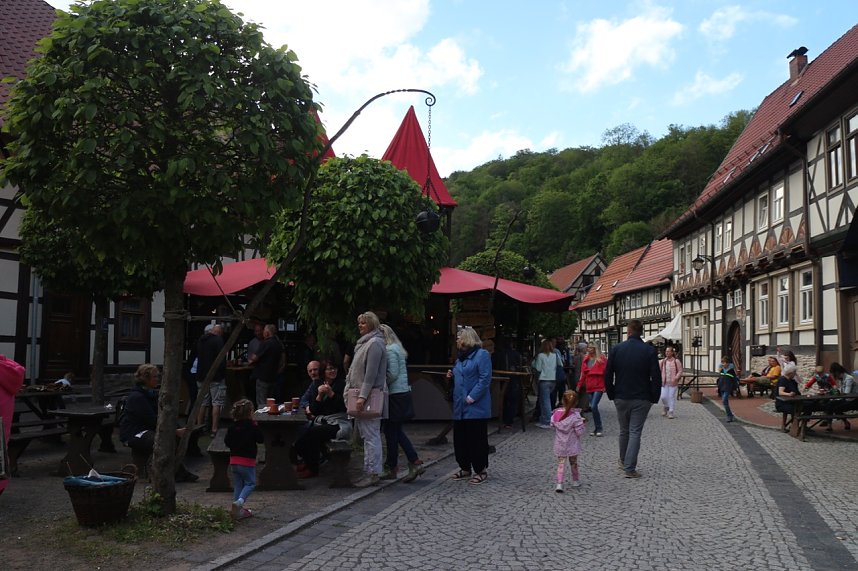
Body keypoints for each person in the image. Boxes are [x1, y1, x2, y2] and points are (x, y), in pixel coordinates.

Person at [118, 364, 198, 482]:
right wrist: (174, 431)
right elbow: (152, 420)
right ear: (146, 378)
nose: (158, 379)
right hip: (134, 433)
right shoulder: (137, 397)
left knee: (171, 437)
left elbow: (162, 415)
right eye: (155, 377)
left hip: (145, 429)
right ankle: (176, 473)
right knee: (162, 441)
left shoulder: (150, 394)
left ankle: (176, 471)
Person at [604, 319, 661, 479]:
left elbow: (608, 373)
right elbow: (656, 376)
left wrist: (611, 393)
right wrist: (654, 397)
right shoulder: (649, 351)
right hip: (642, 397)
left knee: (624, 430)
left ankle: (623, 461)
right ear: (641, 332)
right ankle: (630, 468)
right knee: (635, 431)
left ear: (628, 332)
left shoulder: (616, 349)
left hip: (621, 396)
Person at [345, 311, 388, 488]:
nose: (360, 325)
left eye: (363, 323)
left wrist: (362, 397)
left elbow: (370, 374)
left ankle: (373, 472)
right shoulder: (364, 343)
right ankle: (369, 469)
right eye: (359, 322)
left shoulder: (375, 344)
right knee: (366, 434)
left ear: (371, 324)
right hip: (363, 394)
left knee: (371, 435)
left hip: (370, 396)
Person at [379, 324, 425, 482]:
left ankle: (398, 465)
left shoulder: (390, 350)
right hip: (401, 393)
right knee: (394, 431)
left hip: (395, 395)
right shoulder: (397, 348)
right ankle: (409, 462)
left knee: (392, 431)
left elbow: (392, 374)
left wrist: (378, 381)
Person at [447, 326, 492, 485]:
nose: (457, 340)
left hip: (475, 406)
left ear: (467, 339)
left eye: (459, 337)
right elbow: (460, 375)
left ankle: (481, 469)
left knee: (476, 439)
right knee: (460, 438)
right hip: (460, 405)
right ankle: (465, 467)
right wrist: (451, 375)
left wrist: (472, 396)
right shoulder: (460, 358)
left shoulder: (482, 355)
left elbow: (485, 379)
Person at [294, 360, 349, 478]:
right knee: (300, 441)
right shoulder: (316, 384)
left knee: (313, 434)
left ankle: (313, 469)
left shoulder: (341, 384)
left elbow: (345, 407)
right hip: (323, 421)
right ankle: (308, 462)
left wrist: (331, 394)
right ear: (323, 371)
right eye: (329, 369)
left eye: (334, 368)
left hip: (338, 423)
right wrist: (319, 396)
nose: (332, 371)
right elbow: (314, 410)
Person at [224, 399, 262, 520]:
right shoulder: (252, 426)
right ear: (250, 412)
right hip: (247, 461)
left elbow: (227, 442)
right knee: (250, 483)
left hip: (234, 460)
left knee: (238, 484)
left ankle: (237, 510)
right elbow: (260, 439)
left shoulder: (232, 427)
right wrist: (256, 425)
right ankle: (239, 502)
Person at [550, 389, 586, 493]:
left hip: (560, 443)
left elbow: (552, 424)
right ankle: (575, 480)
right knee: (573, 462)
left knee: (561, 463)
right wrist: (583, 424)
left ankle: (559, 483)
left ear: (562, 400)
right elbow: (579, 432)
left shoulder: (556, 414)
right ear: (575, 402)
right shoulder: (576, 416)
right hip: (572, 444)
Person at [196, 324, 227, 436]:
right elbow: (221, 359)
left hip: (201, 375)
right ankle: (214, 429)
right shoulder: (218, 340)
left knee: (202, 403)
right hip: (215, 376)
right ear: (219, 332)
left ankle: (199, 427)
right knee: (216, 402)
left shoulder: (201, 340)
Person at [248, 324, 285, 409]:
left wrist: (250, 359)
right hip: (273, 376)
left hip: (263, 377)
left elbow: (254, 358)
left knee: (261, 403)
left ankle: (261, 421)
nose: (263, 333)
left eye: (264, 331)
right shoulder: (278, 343)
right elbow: (282, 360)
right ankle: (269, 420)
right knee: (270, 402)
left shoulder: (265, 343)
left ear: (267, 333)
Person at [577, 342, 607, 436]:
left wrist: (606, 386)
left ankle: (599, 428)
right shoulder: (586, 359)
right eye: (588, 347)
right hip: (589, 385)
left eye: (591, 347)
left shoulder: (602, 359)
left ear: (595, 348)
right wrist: (579, 385)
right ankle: (596, 428)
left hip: (599, 385)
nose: (589, 349)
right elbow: (583, 374)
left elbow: (606, 373)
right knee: (593, 408)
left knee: (594, 406)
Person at [493, 338, 523, 429]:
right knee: (512, 400)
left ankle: (504, 419)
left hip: (501, 379)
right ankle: (509, 420)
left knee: (504, 399)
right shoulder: (516, 354)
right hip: (514, 379)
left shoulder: (498, 354)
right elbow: (520, 366)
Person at [532, 339, 559, 429]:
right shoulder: (555, 355)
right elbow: (561, 364)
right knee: (545, 400)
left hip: (544, 380)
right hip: (553, 380)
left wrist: (534, 363)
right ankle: (543, 420)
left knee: (545, 401)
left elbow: (538, 368)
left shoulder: (541, 356)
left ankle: (547, 421)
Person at [825, 363, 857, 431]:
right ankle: (829, 425)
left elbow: (846, 393)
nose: (834, 376)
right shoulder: (841, 379)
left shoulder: (849, 378)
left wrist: (837, 393)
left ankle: (846, 422)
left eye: (834, 373)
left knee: (836, 408)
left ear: (837, 372)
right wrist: (832, 391)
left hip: (853, 400)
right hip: (846, 399)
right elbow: (841, 391)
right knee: (829, 404)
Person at [659, 346, 683, 419]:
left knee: (671, 397)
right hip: (664, 382)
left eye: (669, 351)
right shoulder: (663, 361)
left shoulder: (676, 361)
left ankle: (671, 412)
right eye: (666, 351)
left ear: (672, 352)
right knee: (663, 397)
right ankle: (666, 406)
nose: (667, 353)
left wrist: (676, 378)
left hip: (673, 383)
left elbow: (680, 371)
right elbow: (658, 371)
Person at [717, 356, 738, 423]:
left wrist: (735, 388)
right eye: (722, 363)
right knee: (725, 403)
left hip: (728, 388)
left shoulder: (731, 371)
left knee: (724, 400)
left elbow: (734, 380)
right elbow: (720, 379)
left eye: (725, 363)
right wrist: (718, 387)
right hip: (722, 388)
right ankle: (730, 415)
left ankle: (729, 416)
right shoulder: (722, 370)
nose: (723, 364)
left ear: (728, 363)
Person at [551, 337, 569, 408]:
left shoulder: (562, 349)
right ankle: (561, 405)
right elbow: (561, 362)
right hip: (559, 373)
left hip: (557, 374)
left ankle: (555, 405)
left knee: (556, 391)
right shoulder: (556, 350)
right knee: (559, 390)